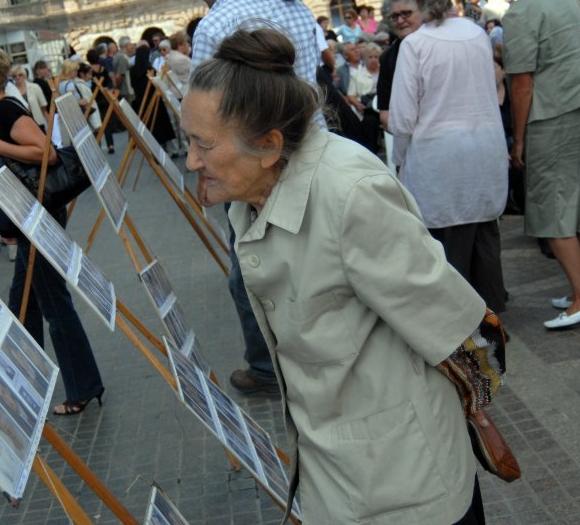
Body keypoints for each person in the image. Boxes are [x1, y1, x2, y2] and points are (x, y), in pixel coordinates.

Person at [182, 26, 503, 524]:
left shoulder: (349, 192)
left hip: (408, 488)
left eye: (202, 144)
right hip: (335, 478)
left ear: (269, 145)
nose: (190, 160)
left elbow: (458, 331)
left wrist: (472, 408)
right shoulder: (250, 196)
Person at [185, 0, 322, 394]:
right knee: (306, 258)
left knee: (250, 265)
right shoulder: (294, 7)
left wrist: (205, 167)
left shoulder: (215, 23)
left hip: (252, 165)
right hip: (311, 149)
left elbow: (203, 112)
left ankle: (268, 366)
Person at [0, 44, 105, 415]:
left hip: (40, 219)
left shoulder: (5, 109)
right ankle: (27, 381)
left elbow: (46, 153)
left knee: (53, 304)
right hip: (29, 220)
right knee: (23, 304)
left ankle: (81, 387)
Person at [389, 0, 509, 315]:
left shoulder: (416, 45)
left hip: (438, 157)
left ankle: (460, 325)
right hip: (484, 146)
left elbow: (402, 117)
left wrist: (398, 159)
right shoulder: (475, 33)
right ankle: (493, 316)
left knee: (446, 244)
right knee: (484, 235)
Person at [498, 0, 580, 328]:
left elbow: (521, 82)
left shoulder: (519, 13)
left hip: (552, 114)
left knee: (552, 208)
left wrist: (519, 139)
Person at [377, 0, 424, 131]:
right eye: (394, 16)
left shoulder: (439, 44)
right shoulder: (387, 58)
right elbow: (385, 115)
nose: (400, 20)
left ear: (422, 11)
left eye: (406, 13)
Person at [10, 65, 47, 131]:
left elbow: (43, 108)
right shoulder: (10, 92)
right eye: (14, 76)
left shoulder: (35, 87)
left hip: (38, 123)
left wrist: (50, 124)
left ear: (24, 75)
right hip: (22, 127)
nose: (17, 77)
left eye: (20, 75)